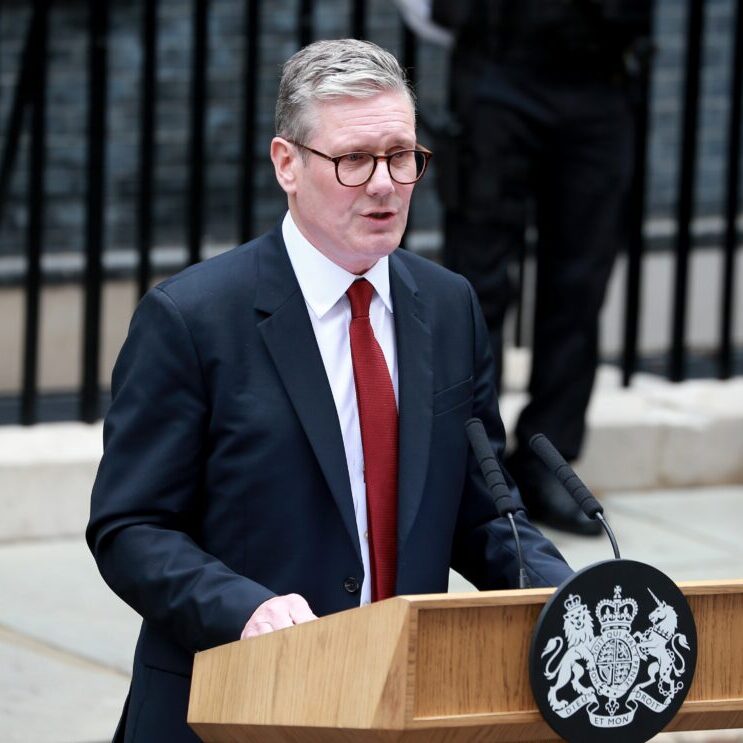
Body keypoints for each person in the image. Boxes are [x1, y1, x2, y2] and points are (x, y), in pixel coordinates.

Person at [87, 39, 572, 743]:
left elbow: (482, 508)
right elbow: (129, 527)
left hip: (395, 707)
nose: (383, 183)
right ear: (287, 163)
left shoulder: (447, 306)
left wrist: (567, 595)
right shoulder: (192, 319)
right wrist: (243, 608)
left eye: (401, 155)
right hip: (235, 704)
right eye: (353, 160)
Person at [426, 0, 651, 535]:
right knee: (475, 284)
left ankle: (549, 462)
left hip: (602, 73)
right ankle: (474, 465)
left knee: (580, 282)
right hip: (501, 63)